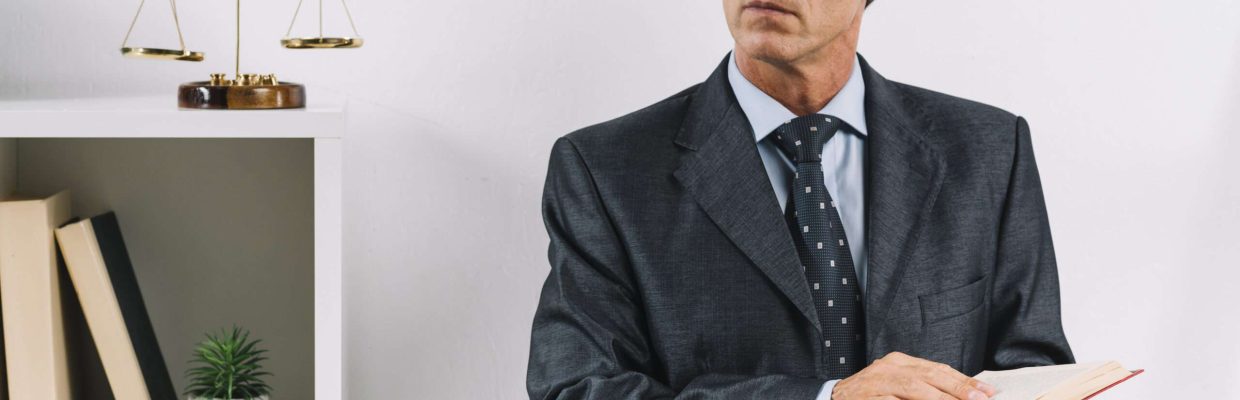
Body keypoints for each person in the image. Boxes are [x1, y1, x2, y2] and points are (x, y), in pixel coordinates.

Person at [527, 0, 1074, 398]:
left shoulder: (989, 149)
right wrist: (824, 397)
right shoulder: (605, 169)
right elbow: (576, 387)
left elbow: (1032, 367)